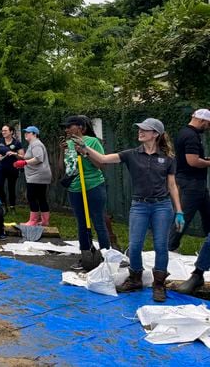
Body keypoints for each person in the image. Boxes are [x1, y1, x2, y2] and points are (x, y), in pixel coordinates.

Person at [75, 117, 184, 302]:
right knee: (134, 246)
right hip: (139, 205)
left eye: (145, 129)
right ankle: (135, 279)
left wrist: (179, 211)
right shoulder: (131, 154)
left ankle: (158, 284)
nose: (140, 131)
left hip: (162, 206)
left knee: (160, 246)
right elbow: (103, 159)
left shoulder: (167, 158)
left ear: (155, 134)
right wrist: (85, 149)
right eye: (139, 128)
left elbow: (172, 185)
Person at [61, 115, 111, 270]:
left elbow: (101, 164)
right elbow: (64, 169)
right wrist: (60, 151)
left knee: (98, 221)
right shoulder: (68, 144)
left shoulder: (92, 142)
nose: (67, 129)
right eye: (66, 127)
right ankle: (85, 257)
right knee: (81, 223)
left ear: (81, 127)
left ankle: (106, 259)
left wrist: (85, 152)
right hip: (75, 188)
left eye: (70, 126)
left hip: (93, 186)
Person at [168, 108, 210, 252]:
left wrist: (204, 160)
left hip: (192, 181)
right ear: (202, 120)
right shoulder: (191, 136)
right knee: (183, 216)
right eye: (208, 124)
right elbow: (192, 161)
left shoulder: (183, 132)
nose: (208, 127)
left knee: (208, 215)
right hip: (192, 183)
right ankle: (169, 248)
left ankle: (208, 245)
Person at [13, 125, 52, 226]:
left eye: (28, 132)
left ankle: (33, 221)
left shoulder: (36, 144)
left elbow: (39, 158)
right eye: (25, 132)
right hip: (40, 175)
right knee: (41, 197)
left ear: (35, 134)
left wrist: (24, 163)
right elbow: (31, 157)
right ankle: (45, 221)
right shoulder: (33, 144)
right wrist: (18, 157)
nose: (26, 134)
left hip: (37, 175)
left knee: (31, 197)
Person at [0, 124, 25, 211]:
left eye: (5, 130)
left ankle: (12, 206)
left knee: (11, 188)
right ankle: (3, 204)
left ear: (11, 132)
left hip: (12, 169)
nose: (3, 132)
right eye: (2, 131)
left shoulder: (17, 143)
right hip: (1, 168)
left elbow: (22, 156)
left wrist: (14, 153)